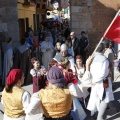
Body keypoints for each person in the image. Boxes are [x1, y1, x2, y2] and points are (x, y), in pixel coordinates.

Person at [86, 43, 114, 120]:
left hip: (95, 83)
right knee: (105, 99)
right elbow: (103, 74)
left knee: (97, 98)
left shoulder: (92, 58)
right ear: (103, 50)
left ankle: (96, 115)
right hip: (102, 83)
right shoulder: (104, 60)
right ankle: (100, 117)